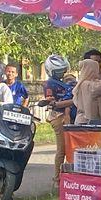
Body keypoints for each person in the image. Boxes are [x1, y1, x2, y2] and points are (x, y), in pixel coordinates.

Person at [40, 53, 75, 181]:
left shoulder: (63, 82)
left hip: (67, 116)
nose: (62, 73)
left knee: (69, 148)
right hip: (59, 117)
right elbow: (51, 101)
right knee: (62, 150)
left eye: (63, 70)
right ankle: (57, 179)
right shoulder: (50, 84)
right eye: (58, 71)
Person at [73, 56, 101, 125]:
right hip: (84, 122)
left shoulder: (89, 83)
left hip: (91, 121)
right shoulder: (86, 84)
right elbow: (99, 88)